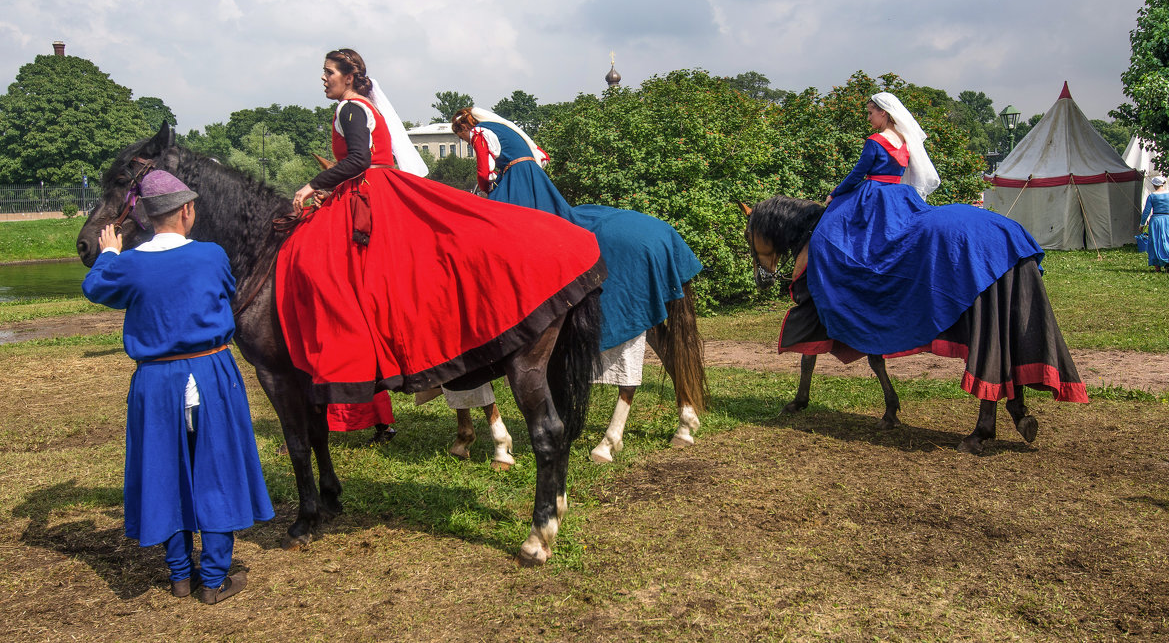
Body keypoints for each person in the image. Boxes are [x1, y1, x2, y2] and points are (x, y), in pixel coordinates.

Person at [276, 50, 604, 406]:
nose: (323, 79)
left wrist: (313, 184)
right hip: (380, 187)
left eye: (328, 72)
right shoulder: (367, 108)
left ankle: (358, 354)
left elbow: (358, 159)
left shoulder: (349, 109)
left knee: (315, 261)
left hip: (369, 192)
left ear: (349, 77)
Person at [451, 107, 703, 459]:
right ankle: (686, 411)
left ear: (465, 127)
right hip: (536, 185)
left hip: (519, 191)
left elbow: (483, 175)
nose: (463, 141)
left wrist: (483, 197)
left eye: (459, 137)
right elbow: (540, 158)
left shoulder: (481, 135)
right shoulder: (511, 132)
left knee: (504, 242)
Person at [81, 170, 274, 605]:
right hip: (210, 374)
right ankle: (215, 579)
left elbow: (94, 286)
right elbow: (224, 292)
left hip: (157, 381)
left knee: (166, 470)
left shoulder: (130, 265)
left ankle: (180, 575)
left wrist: (110, 254)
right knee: (217, 471)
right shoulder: (212, 256)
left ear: (147, 219)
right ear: (187, 210)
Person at [808, 92, 1045, 356]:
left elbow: (857, 174)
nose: (869, 117)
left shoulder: (874, 141)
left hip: (874, 195)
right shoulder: (904, 141)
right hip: (900, 195)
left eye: (871, 113)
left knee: (827, 236)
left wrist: (835, 193)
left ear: (883, 113)